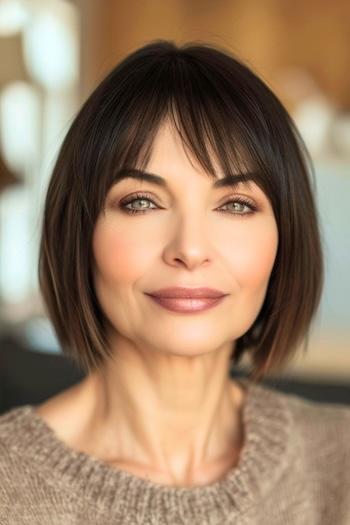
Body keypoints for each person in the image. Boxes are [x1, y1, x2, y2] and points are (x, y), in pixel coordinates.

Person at [0, 40, 349, 525]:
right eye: (142, 201)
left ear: (285, 239)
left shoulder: (339, 465)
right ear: (80, 231)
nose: (190, 248)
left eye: (235, 205)